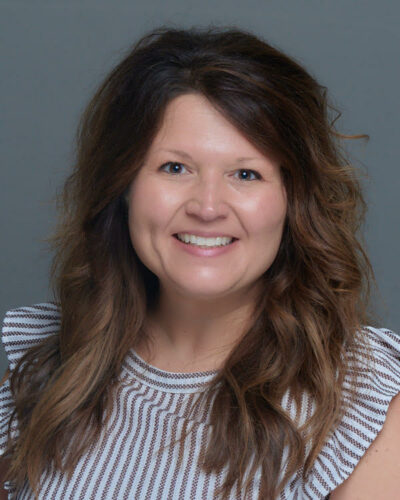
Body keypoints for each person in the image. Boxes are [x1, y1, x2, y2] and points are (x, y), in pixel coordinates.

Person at [0, 25, 399, 500]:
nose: (207, 206)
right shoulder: (43, 373)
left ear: (294, 200)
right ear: (123, 186)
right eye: (175, 168)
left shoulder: (361, 399)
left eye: (246, 173)